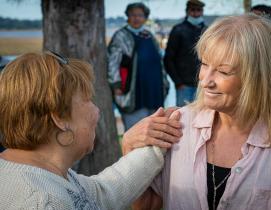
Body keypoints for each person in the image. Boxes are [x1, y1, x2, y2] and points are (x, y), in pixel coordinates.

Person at [129, 14, 271, 210]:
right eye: (204, 64)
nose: (205, 80)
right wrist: (130, 149)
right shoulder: (177, 127)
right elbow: (148, 205)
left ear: (259, 77)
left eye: (223, 71)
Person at [0, 51, 182, 209]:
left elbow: (102, 194)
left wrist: (159, 140)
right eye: (87, 99)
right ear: (60, 118)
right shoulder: (42, 202)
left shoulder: (44, 173)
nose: (97, 110)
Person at [108, 2, 169, 130]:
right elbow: (113, 61)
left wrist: (165, 83)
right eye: (133, 15)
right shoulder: (121, 36)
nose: (136, 18)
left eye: (140, 15)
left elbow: (159, 60)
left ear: (145, 18)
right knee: (135, 129)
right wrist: (116, 84)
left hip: (153, 89)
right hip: (133, 89)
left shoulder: (149, 35)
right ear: (128, 17)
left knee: (155, 129)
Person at [164, 0, 206, 107]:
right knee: (183, 118)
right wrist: (178, 82)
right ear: (187, 11)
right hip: (184, 85)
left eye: (198, 10)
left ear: (202, 12)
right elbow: (169, 59)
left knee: (204, 116)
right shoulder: (178, 30)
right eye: (193, 10)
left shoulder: (207, 30)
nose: (196, 13)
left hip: (203, 84)